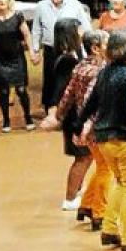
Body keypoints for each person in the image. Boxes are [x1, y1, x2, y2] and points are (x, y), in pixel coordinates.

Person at [75, 29, 126, 251]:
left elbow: (91, 104)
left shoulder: (104, 72)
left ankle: (110, 229)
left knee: (121, 183)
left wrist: (79, 124)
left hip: (104, 140)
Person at [41, 30, 111, 231]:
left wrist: (58, 116)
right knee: (104, 167)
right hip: (96, 126)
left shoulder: (80, 66)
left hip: (83, 124)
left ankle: (87, 204)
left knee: (98, 165)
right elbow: (93, 101)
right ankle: (98, 211)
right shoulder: (100, 71)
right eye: (107, 42)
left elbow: (68, 94)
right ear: (96, 48)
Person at [48, 18, 90, 212]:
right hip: (75, 117)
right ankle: (70, 198)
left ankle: (77, 191)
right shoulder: (67, 60)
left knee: (86, 156)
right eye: (78, 27)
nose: (82, 30)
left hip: (78, 114)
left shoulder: (75, 55)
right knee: (82, 157)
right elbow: (64, 91)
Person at [32, 0, 91, 111]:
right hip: (50, 49)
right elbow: (36, 29)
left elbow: (86, 27)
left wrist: (87, 48)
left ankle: (73, 109)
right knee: (50, 78)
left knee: (72, 78)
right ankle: (51, 108)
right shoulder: (41, 6)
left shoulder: (75, 4)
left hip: (72, 49)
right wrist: (35, 50)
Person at [0, 0, 38, 132]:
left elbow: (27, 35)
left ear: (9, 0)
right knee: (3, 91)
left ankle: (28, 118)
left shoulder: (17, 16)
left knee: (21, 90)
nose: (1, 1)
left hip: (17, 58)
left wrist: (33, 52)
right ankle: (6, 121)